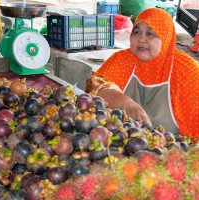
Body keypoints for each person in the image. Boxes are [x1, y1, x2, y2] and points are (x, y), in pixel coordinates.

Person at [85, 8, 199, 138]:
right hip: (123, 145)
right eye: (137, 32)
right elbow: (94, 86)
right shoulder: (123, 60)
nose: (141, 39)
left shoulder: (186, 71)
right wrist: (127, 105)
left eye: (150, 34)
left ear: (165, 37)